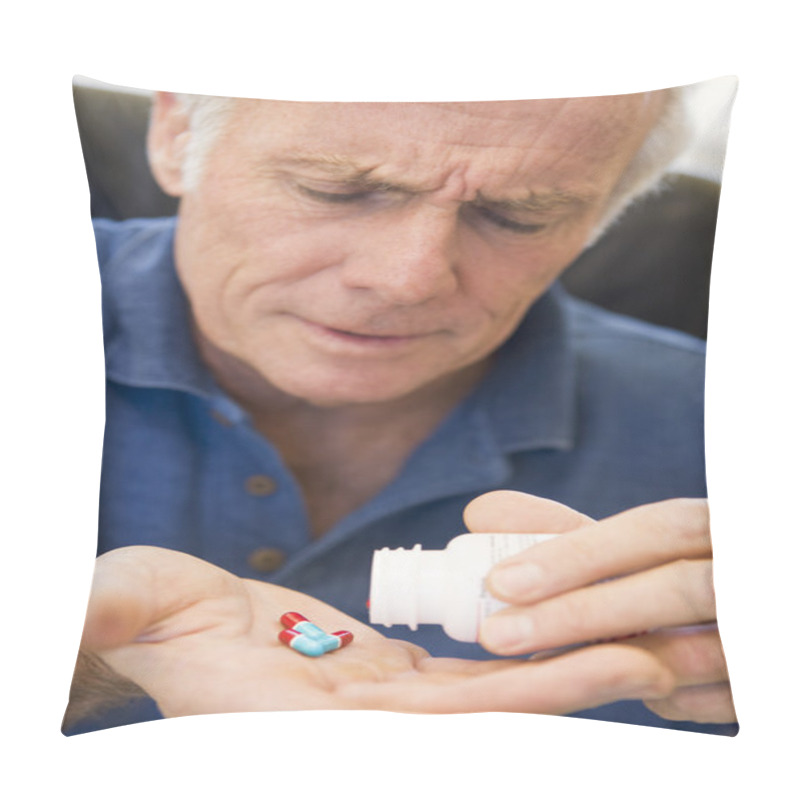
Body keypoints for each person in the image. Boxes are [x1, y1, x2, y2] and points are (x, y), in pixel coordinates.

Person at [63, 88, 736, 735]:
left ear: (599, 220)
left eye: (518, 216)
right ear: (176, 134)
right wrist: (79, 663)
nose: (407, 279)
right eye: (336, 189)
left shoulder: (727, 427)